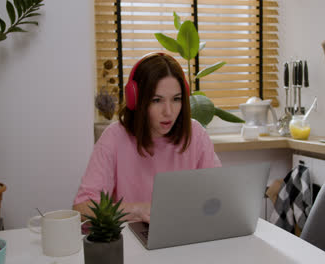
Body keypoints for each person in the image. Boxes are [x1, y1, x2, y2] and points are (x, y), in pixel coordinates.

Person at [73, 52, 221, 223]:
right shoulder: (114, 137)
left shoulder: (195, 133)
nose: (168, 111)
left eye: (176, 99)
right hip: (132, 240)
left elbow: (217, 195)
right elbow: (82, 209)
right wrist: (137, 210)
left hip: (186, 236)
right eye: (157, 100)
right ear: (136, 100)